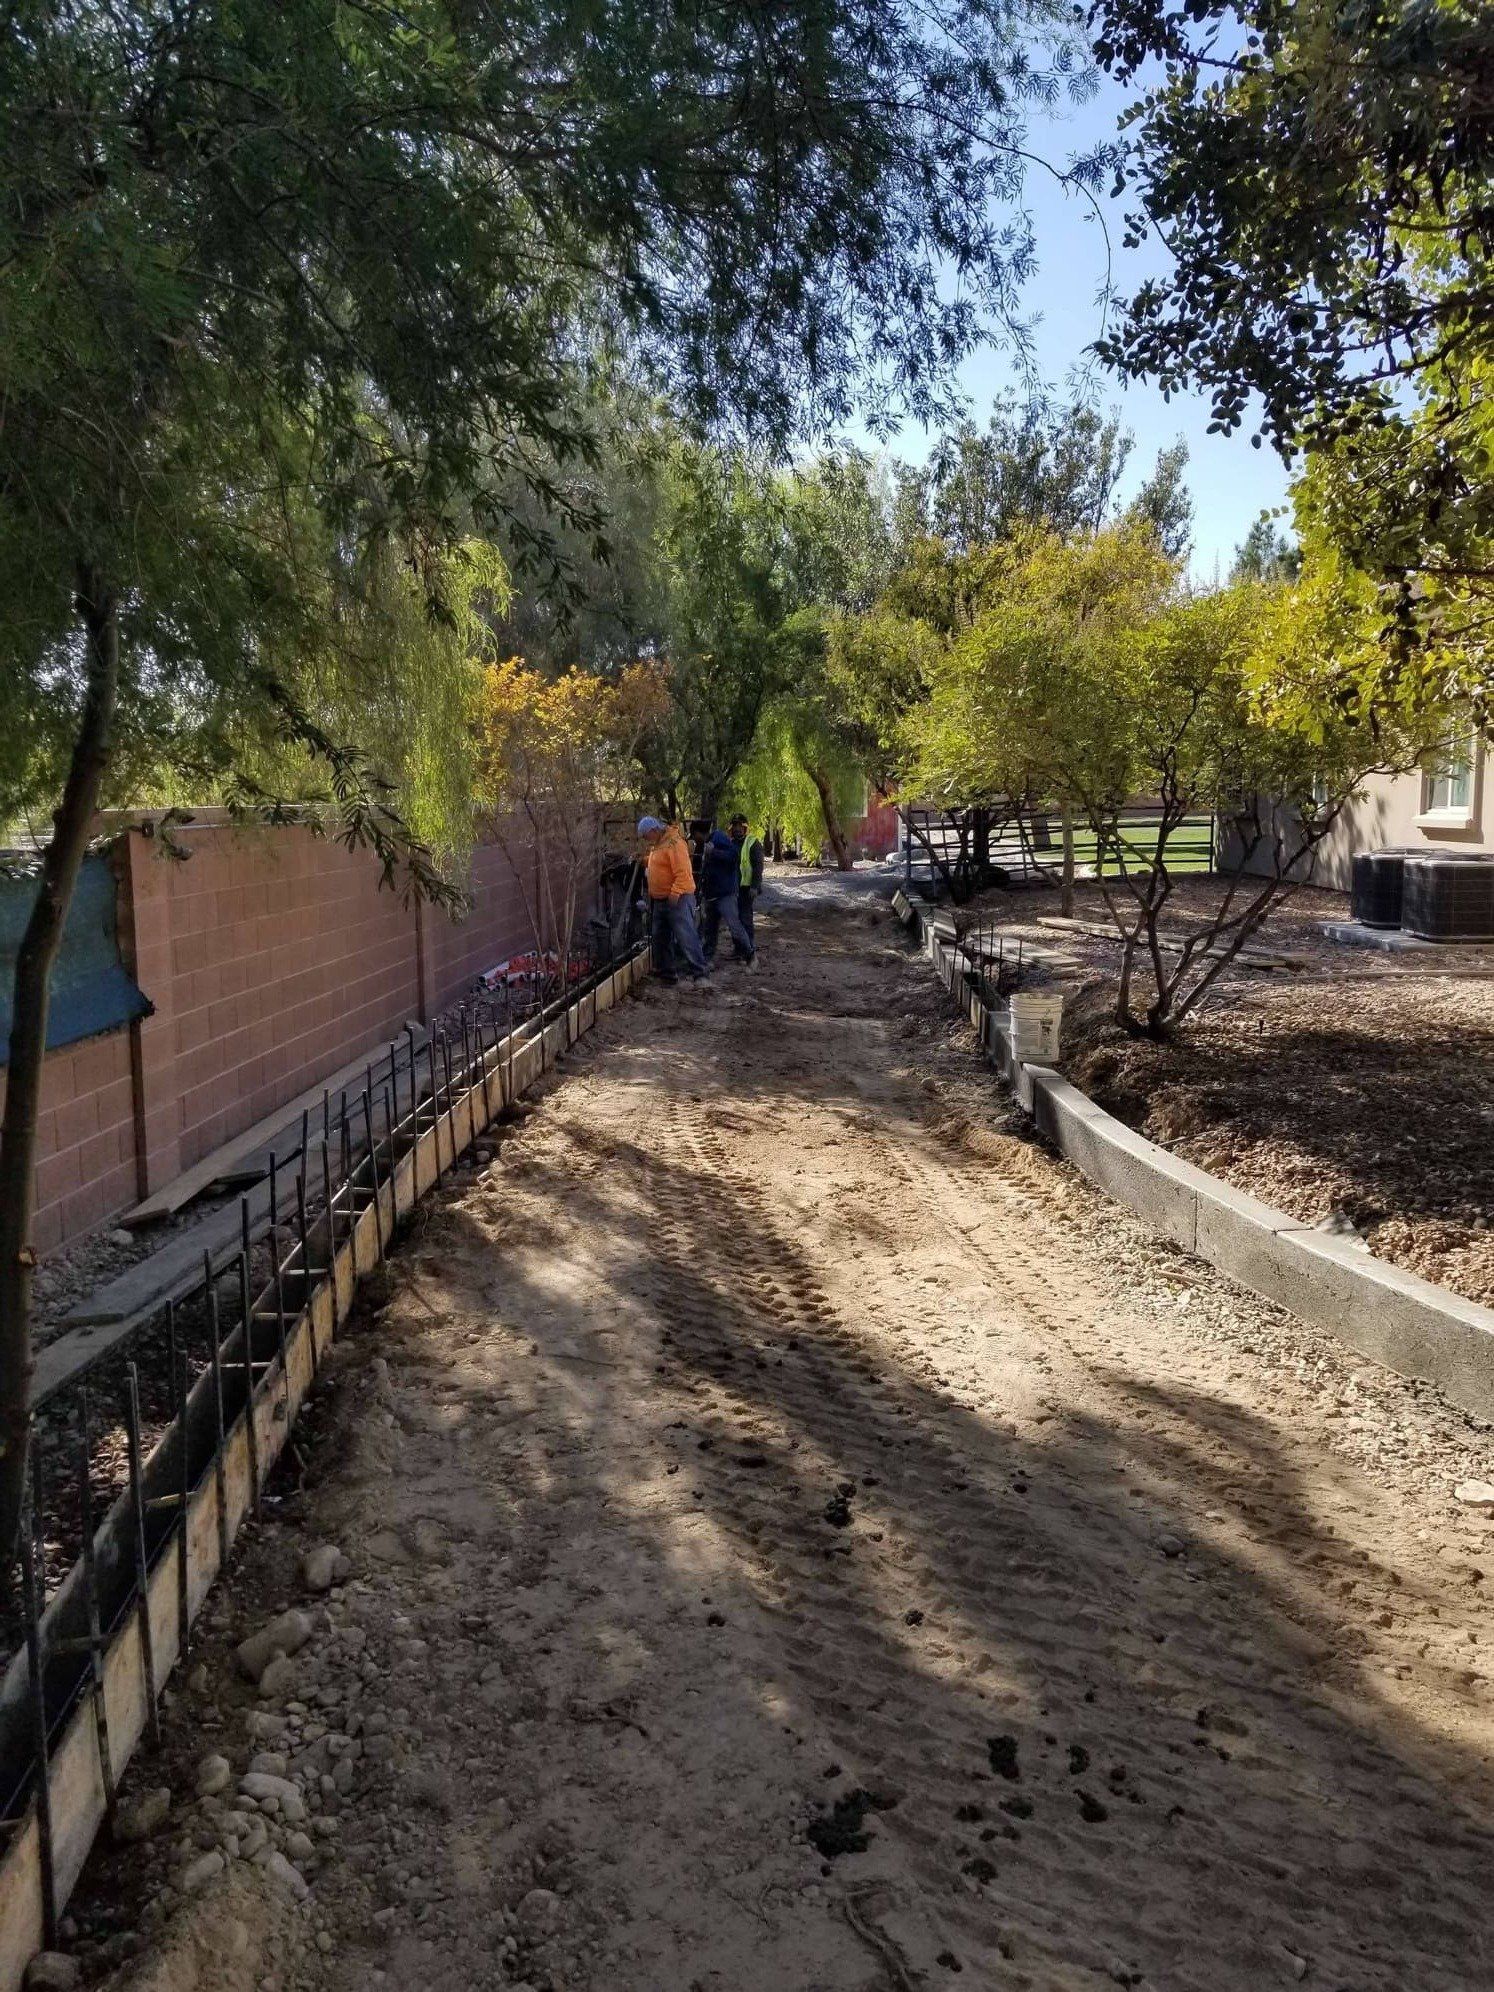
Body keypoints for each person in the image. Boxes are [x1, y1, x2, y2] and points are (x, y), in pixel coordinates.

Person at [639, 815, 708, 984]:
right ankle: (667, 974)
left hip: (678, 898)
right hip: (660, 899)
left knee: (686, 936)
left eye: (646, 836)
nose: (645, 840)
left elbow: (683, 873)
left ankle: (700, 974)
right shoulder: (658, 844)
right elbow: (660, 862)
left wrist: (675, 894)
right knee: (660, 937)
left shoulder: (674, 843)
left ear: (654, 830)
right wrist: (645, 861)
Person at [700, 827, 757, 968]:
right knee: (710, 929)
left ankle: (750, 954)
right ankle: (707, 959)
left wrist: (713, 852)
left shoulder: (718, 838)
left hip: (725, 894)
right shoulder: (705, 846)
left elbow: (733, 856)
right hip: (712, 894)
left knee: (735, 926)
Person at [729, 814, 766, 948]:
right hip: (733, 888)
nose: (737, 829)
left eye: (740, 826)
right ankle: (738, 948)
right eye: (735, 826)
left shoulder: (752, 842)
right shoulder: (730, 843)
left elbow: (758, 866)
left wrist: (755, 886)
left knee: (745, 918)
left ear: (745, 828)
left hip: (747, 888)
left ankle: (749, 947)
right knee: (734, 920)